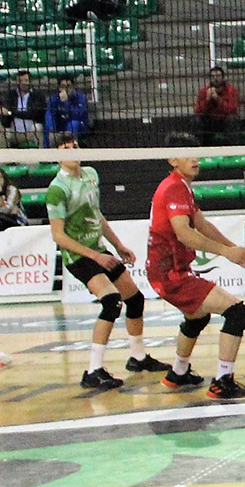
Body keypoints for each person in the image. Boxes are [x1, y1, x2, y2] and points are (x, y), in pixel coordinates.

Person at [46, 133, 170, 390]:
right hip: (79, 256)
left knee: (135, 299)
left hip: (99, 250)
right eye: (65, 147)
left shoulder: (91, 174)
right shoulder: (57, 190)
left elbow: (96, 215)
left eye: (75, 145)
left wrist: (118, 245)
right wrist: (96, 256)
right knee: (112, 301)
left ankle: (137, 357)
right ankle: (93, 370)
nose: (72, 150)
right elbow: (58, 236)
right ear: (56, 154)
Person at [149, 132, 245, 399]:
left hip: (171, 270)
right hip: (170, 274)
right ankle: (222, 381)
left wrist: (234, 248)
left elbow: (202, 224)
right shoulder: (173, 187)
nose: (195, 159)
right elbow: (184, 233)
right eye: (188, 154)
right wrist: (225, 252)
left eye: (196, 153)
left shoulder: (181, 186)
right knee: (236, 312)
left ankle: (178, 373)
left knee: (198, 316)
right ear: (172, 159)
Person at [193, 67, 239, 146]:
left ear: (223, 77)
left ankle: (234, 149)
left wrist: (218, 99)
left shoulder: (231, 90)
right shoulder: (203, 91)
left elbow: (232, 109)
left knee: (232, 118)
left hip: (224, 121)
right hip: (210, 122)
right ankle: (200, 149)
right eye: (213, 76)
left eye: (218, 76)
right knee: (197, 120)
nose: (215, 79)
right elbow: (198, 110)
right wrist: (208, 100)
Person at [1, 71, 47, 149]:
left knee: (38, 128)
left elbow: (33, 113)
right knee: (2, 133)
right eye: (20, 81)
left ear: (30, 81)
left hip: (30, 132)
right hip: (13, 132)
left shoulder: (38, 95)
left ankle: (41, 158)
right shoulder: (10, 95)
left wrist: (11, 113)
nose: (23, 83)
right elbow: (5, 110)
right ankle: (4, 160)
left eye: (26, 80)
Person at [45, 76, 89, 148]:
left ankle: (71, 151)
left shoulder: (80, 98)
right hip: (59, 129)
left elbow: (77, 116)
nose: (66, 89)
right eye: (63, 86)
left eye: (68, 86)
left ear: (73, 87)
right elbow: (49, 115)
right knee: (47, 130)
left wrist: (65, 102)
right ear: (59, 88)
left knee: (73, 124)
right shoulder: (54, 99)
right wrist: (51, 129)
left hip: (79, 129)